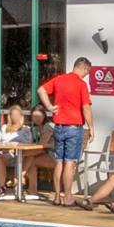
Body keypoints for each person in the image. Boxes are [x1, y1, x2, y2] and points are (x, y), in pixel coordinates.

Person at [44, 56, 94, 193]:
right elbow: (86, 108)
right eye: (87, 72)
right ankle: (67, 197)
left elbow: (41, 90)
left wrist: (49, 106)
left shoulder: (59, 80)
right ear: (84, 68)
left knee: (59, 161)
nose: (86, 75)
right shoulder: (81, 84)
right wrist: (91, 128)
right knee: (70, 162)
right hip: (73, 128)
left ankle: (57, 197)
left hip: (59, 127)